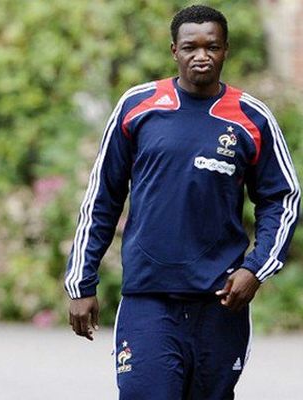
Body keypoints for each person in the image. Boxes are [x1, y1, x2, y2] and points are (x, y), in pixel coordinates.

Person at [64, 5, 299, 399]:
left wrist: (255, 269)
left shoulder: (250, 118)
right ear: (175, 50)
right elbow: (102, 198)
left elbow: (282, 198)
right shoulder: (138, 107)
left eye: (213, 46)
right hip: (148, 299)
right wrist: (80, 283)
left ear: (226, 50)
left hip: (220, 303)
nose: (202, 55)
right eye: (191, 46)